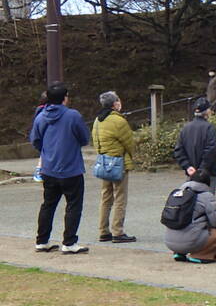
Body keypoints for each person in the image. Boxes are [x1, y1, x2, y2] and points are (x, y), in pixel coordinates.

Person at [30, 82, 90, 254]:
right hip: (71, 168)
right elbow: (84, 138)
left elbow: (35, 140)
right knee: (73, 205)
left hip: (48, 168)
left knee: (48, 204)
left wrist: (47, 151)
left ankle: (42, 241)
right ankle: (69, 242)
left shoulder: (41, 117)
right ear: (65, 98)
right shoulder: (73, 116)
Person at [92, 91, 136, 243]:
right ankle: (118, 231)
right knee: (120, 198)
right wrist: (132, 157)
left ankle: (103, 231)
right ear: (115, 104)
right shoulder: (119, 121)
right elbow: (129, 143)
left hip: (103, 161)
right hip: (118, 163)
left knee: (106, 197)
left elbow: (95, 141)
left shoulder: (98, 120)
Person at [164, 170, 216, 263]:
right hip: (190, 243)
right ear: (208, 183)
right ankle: (200, 255)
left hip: (170, 242)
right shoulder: (206, 196)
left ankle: (179, 253)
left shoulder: (177, 193)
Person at [174, 97, 216, 192]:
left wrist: (187, 166)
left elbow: (179, 150)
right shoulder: (210, 128)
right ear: (207, 112)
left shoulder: (185, 128)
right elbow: (212, 150)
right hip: (208, 175)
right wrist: (202, 169)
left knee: (191, 201)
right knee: (207, 202)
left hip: (191, 174)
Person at [31, 91, 48, 182]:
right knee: (44, 154)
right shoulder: (44, 111)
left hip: (42, 136)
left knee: (43, 153)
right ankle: (39, 170)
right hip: (45, 136)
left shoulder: (39, 110)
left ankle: (39, 170)